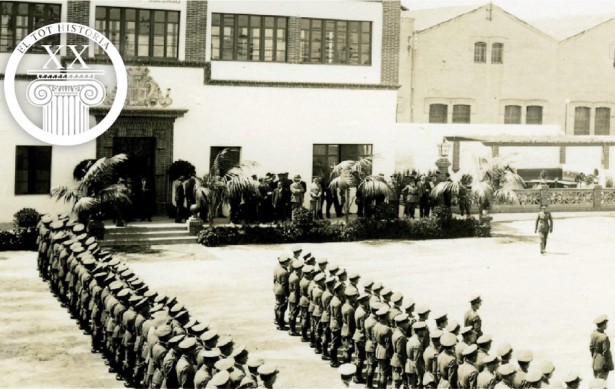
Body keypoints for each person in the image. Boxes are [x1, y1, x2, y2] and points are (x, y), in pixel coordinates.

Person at [590, 314, 613, 379]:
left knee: (597, 383)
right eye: (606, 323)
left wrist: (596, 357)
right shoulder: (604, 337)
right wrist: (607, 364)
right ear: (603, 325)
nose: (606, 325)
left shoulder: (593, 334)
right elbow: (606, 352)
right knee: (602, 384)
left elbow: (591, 348)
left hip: (595, 363)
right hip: (603, 364)